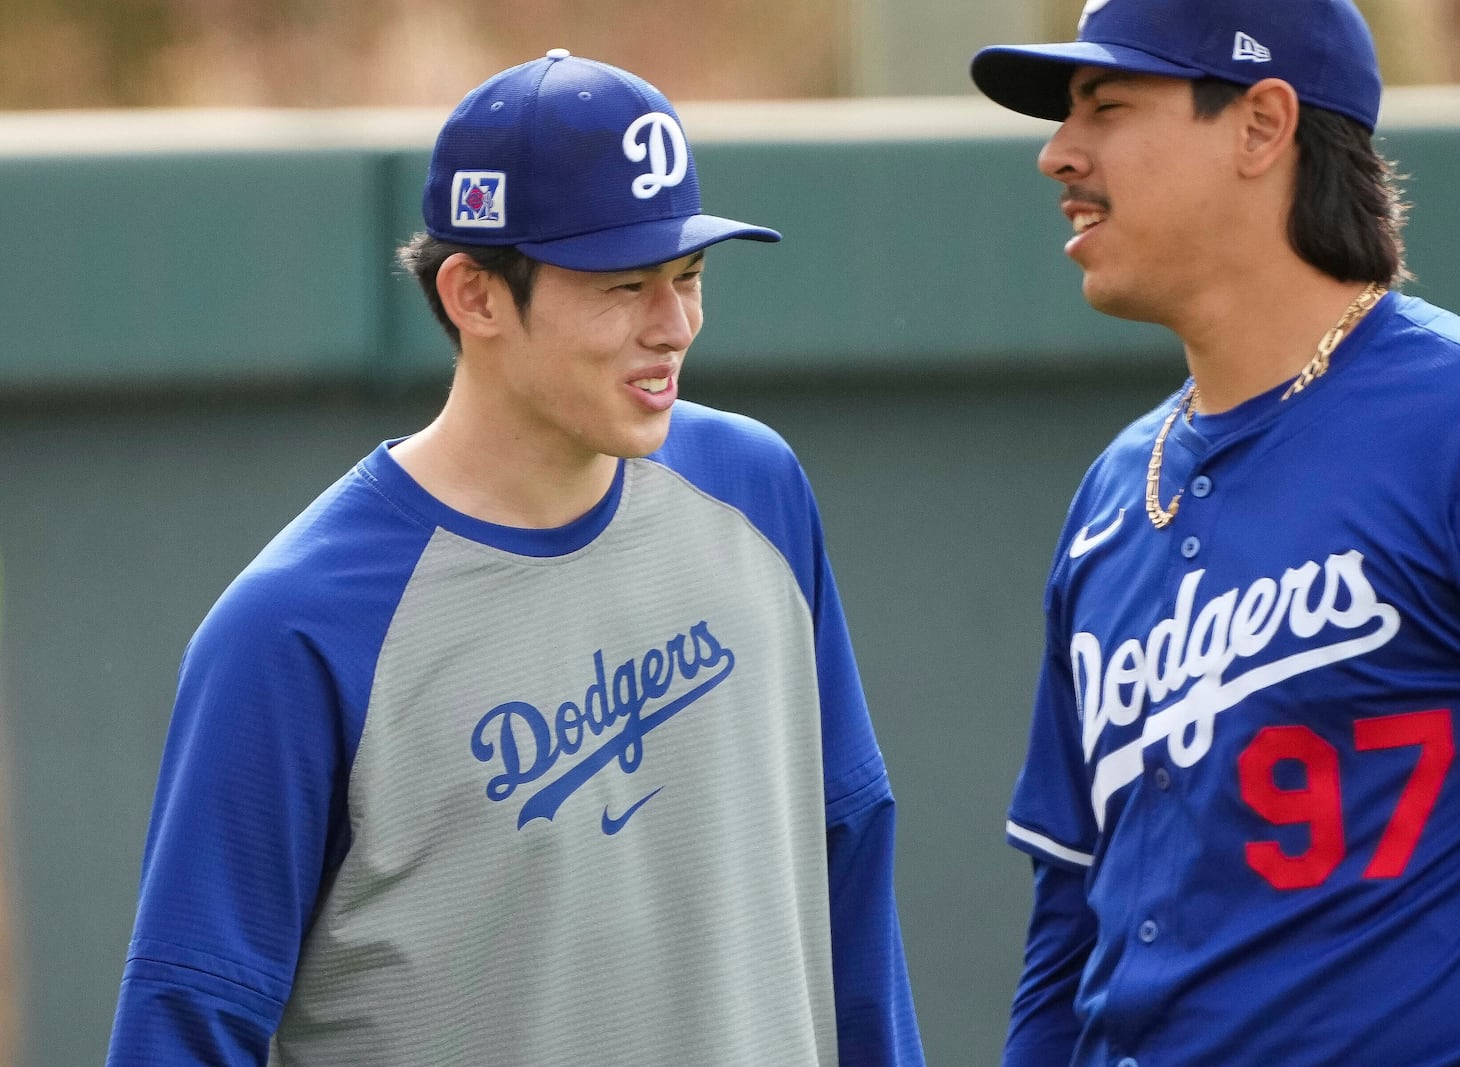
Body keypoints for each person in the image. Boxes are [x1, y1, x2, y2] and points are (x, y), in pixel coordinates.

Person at [106, 51, 923, 1067]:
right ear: (475, 295)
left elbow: (849, 859)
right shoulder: (291, 628)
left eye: (690, 277)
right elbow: (187, 1021)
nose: (673, 327)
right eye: (624, 284)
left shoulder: (755, 489)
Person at [969, 1, 1460, 1063]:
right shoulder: (1113, 492)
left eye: (1107, 106)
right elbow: (1067, 925)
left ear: (1262, 125)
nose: (1056, 154)